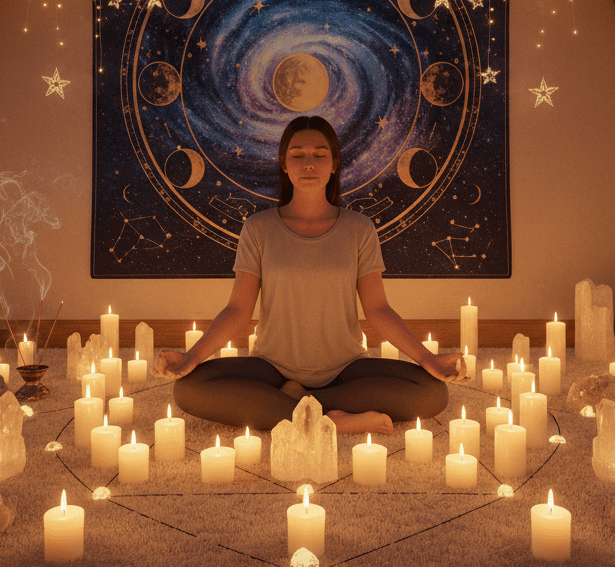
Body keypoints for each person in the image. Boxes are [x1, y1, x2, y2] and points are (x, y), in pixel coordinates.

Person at [158, 116, 468, 434]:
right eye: (298, 155)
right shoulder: (258, 228)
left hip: (345, 369)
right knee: (188, 388)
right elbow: (238, 309)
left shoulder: (359, 229)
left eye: (320, 155)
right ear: (284, 163)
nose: (309, 163)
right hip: (271, 368)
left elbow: (378, 309)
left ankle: (301, 408)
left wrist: (427, 359)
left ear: (334, 165)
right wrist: (192, 357)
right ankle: (331, 419)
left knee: (432, 392)